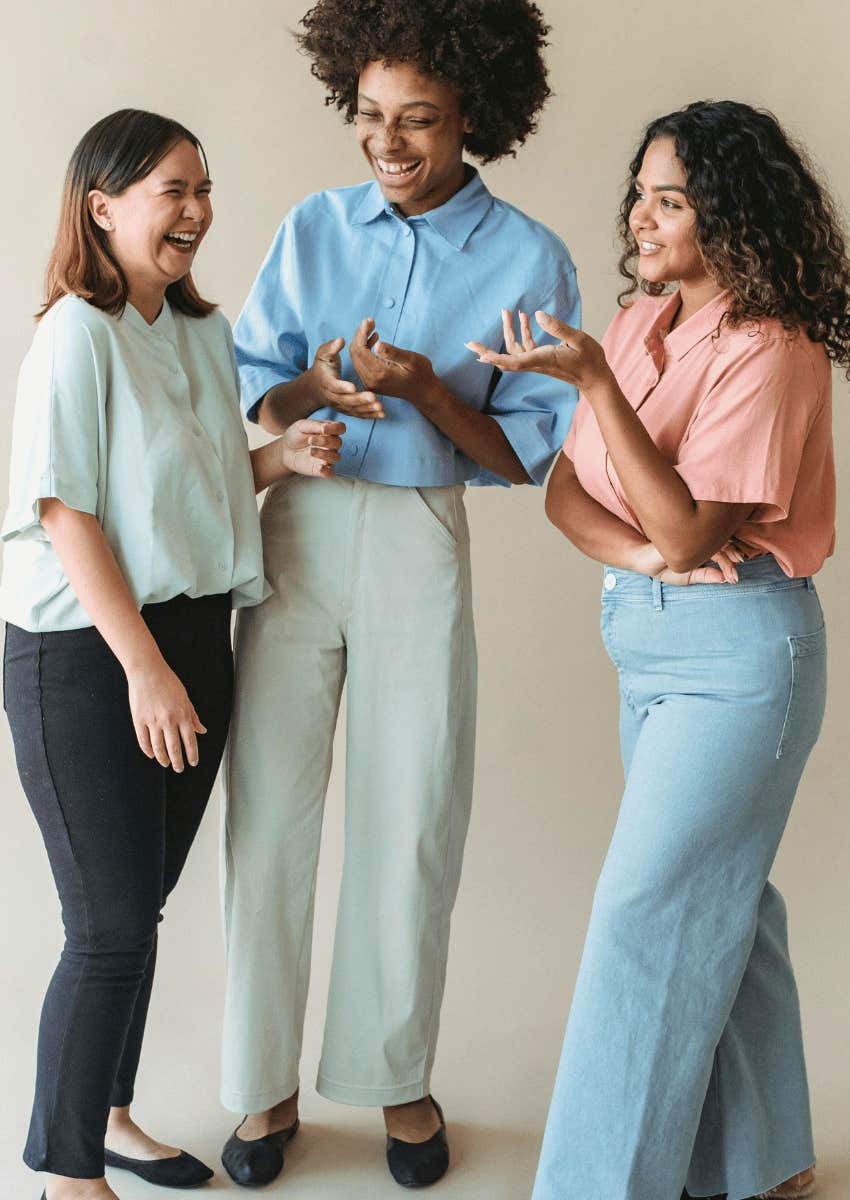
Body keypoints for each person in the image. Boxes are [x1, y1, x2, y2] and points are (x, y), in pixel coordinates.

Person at [218, 0, 580, 1188]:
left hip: (421, 535)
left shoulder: (529, 257)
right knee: (268, 810)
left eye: (417, 119)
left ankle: (394, 1074)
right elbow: (258, 391)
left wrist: (426, 390)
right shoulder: (313, 226)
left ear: (473, 114)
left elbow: (523, 455)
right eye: (371, 114)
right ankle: (261, 1081)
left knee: (412, 812)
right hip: (299, 527)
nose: (387, 140)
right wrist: (313, 390)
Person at [468, 100, 849, 1200]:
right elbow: (566, 494)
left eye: (669, 199)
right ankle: (764, 1161)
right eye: (640, 193)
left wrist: (595, 389)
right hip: (648, 644)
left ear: (728, 215)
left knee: (648, 912)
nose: (640, 216)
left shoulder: (772, 348)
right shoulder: (639, 323)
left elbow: (691, 532)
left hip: (742, 662)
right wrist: (642, 559)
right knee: (725, 897)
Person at [1, 108, 343, 1200]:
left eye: (203, 189)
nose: (196, 211)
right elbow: (67, 512)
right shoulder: (75, 334)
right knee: (105, 927)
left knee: (135, 912)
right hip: (88, 651)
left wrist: (280, 457)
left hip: (197, 639)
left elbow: (186, 488)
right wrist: (144, 668)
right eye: (172, 191)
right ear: (102, 208)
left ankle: (106, 1117)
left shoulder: (201, 331)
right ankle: (67, 1178)